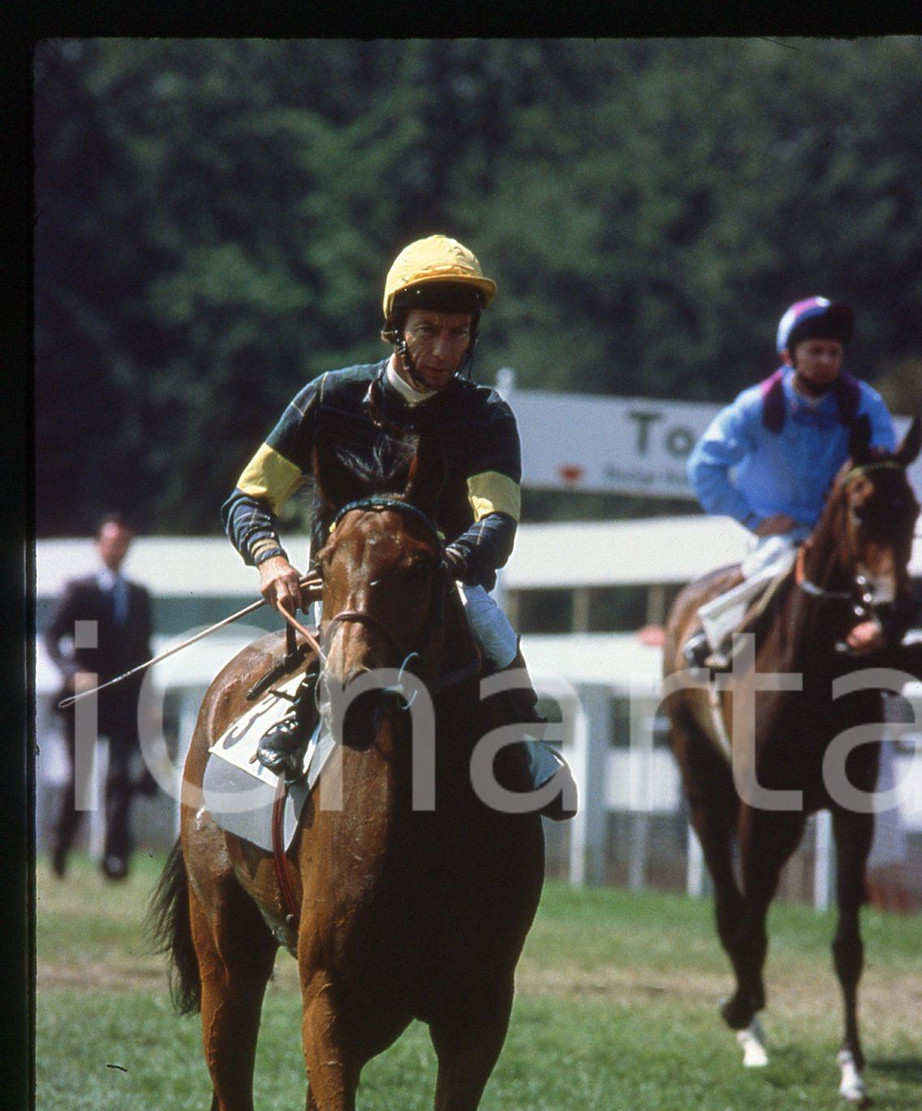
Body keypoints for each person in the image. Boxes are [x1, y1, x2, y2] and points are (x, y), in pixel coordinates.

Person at [220, 234, 576, 819]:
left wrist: (437, 566)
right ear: (397, 329)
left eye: (458, 333)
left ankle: (522, 744)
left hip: (444, 586)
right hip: (343, 591)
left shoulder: (486, 415)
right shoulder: (328, 398)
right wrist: (270, 559)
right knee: (341, 648)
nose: (443, 349)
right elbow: (246, 498)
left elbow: (496, 526)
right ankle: (290, 733)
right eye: (428, 329)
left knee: (491, 625)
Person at [684, 296, 898, 670]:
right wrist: (754, 520)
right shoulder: (755, 407)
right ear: (788, 356)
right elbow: (704, 467)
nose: (826, 361)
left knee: (889, 582)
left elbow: (882, 467)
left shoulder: (866, 403)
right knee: (777, 562)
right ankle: (711, 635)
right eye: (815, 351)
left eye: (834, 352)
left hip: (842, 537)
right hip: (778, 539)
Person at [44, 512, 155, 879]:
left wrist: (146, 701)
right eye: (111, 543)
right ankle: (60, 850)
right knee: (82, 780)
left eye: (123, 543)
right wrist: (73, 673)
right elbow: (53, 638)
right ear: (99, 546)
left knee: (120, 778)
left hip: (123, 702)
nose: (117, 550)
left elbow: (144, 652)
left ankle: (115, 858)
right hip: (86, 701)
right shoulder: (82, 590)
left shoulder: (137, 596)